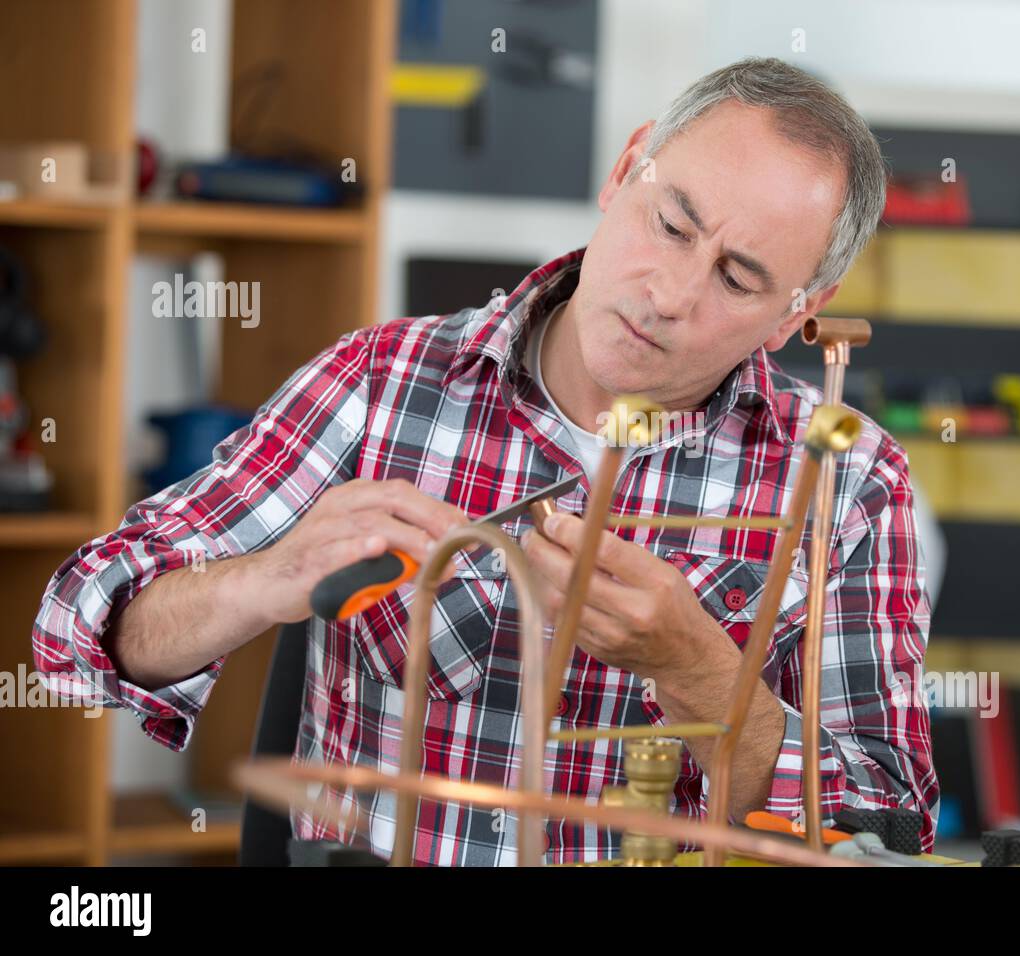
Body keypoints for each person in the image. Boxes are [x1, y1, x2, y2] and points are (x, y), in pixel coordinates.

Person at [33, 57, 939, 865]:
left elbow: (879, 824)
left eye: (738, 279)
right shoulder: (379, 384)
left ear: (795, 313)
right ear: (626, 171)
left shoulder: (850, 484)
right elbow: (77, 627)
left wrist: (698, 667)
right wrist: (263, 579)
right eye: (670, 224)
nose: (669, 294)